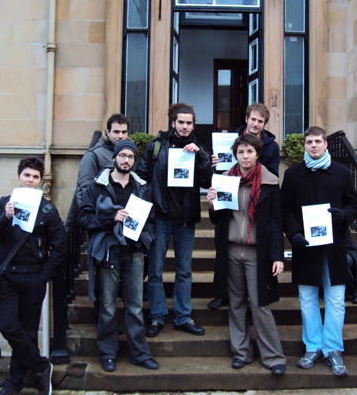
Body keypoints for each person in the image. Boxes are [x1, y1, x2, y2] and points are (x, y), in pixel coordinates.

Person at [0, 157, 67, 395]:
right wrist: (5, 217)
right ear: (19, 177)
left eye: (35, 177)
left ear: (41, 181)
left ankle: (14, 384)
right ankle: (41, 366)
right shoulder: (4, 203)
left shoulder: (47, 209)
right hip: (8, 276)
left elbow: (60, 245)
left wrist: (44, 276)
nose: (30, 180)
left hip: (33, 278)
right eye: (27, 175)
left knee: (29, 331)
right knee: (8, 325)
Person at [281, 126, 357, 376]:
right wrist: (294, 235)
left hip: (335, 247)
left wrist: (343, 216)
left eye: (317, 141)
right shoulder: (293, 174)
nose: (313, 145)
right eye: (309, 141)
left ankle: (333, 349)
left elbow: (353, 206)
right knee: (307, 300)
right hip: (306, 247)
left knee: (336, 300)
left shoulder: (342, 173)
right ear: (304, 145)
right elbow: (285, 211)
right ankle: (313, 346)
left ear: (326, 144)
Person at [207, 134, 287, 375]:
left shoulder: (270, 182)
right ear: (236, 155)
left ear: (257, 154)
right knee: (236, 304)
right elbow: (217, 219)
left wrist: (278, 256)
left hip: (257, 254)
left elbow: (275, 222)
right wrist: (212, 205)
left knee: (261, 304)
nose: (245, 156)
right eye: (241, 152)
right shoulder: (225, 180)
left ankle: (273, 357)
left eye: (249, 152)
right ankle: (241, 352)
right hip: (231, 251)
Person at [78, 140, 158, 372]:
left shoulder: (142, 187)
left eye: (130, 157)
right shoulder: (97, 186)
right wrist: (110, 218)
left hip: (134, 253)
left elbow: (150, 220)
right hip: (108, 253)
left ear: (134, 160)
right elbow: (84, 218)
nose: (126, 160)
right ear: (114, 158)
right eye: (122, 155)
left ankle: (139, 354)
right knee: (108, 307)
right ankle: (107, 353)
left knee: (134, 306)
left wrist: (146, 242)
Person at [137, 103, 213, 337]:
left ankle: (182, 316)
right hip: (160, 217)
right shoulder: (157, 146)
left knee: (184, 271)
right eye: (181, 122)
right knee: (156, 270)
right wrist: (151, 199)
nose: (185, 126)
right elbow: (140, 177)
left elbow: (208, 180)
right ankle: (157, 316)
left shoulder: (199, 148)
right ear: (173, 123)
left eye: (189, 123)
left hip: (185, 219)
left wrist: (201, 156)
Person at [208, 102, 281, 310]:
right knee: (227, 266)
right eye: (253, 119)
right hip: (232, 195)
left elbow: (273, 176)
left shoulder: (271, 146)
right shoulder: (231, 140)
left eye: (260, 121)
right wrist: (217, 163)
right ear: (246, 119)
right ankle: (223, 294)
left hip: (257, 198)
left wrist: (253, 177)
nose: (256, 124)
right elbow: (224, 169)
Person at [75, 113, 130, 206]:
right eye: (116, 132)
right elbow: (84, 189)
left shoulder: (131, 153)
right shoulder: (94, 155)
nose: (120, 136)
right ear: (108, 132)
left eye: (124, 132)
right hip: (101, 214)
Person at [345, 230, 357, 304]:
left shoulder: (340, 221)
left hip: (345, 251)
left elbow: (349, 246)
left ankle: (355, 290)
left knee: (342, 260)